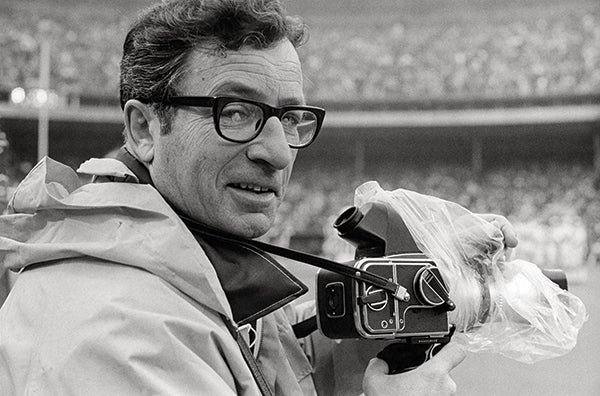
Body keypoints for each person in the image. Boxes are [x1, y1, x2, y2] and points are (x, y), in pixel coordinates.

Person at [0, 0, 518, 394]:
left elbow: (268, 373)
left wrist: (391, 298)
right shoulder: (118, 335)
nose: (277, 151)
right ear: (144, 129)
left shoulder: (192, 257)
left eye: (290, 117)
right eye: (236, 111)